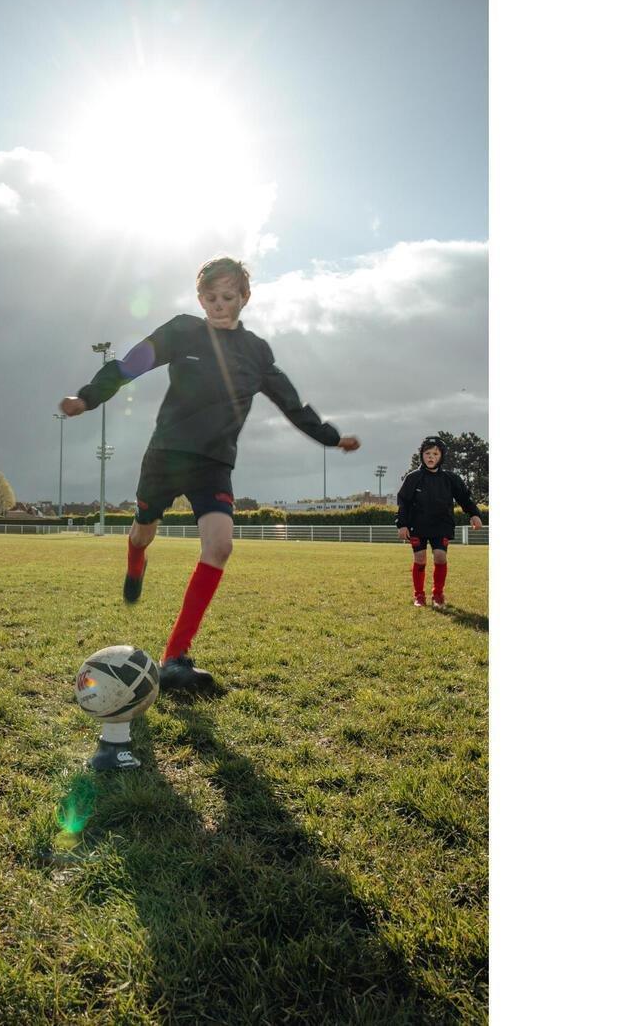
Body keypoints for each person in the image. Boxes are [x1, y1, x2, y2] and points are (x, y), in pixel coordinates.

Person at [61, 258, 359, 768]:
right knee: (142, 532)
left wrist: (330, 437)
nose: (220, 307)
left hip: (214, 464)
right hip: (166, 456)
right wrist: (87, 398)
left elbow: (292, 403)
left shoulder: (256, 351)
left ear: (245, 297)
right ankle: (134, 563)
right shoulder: (181, 331)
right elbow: (130, 364)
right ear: (201, 299)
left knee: (220, 545)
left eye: (230, 297)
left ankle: (175, 657)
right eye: (212, 298)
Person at [395, 436, 483, 609]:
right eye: (427, 453)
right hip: (417, 525)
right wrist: (402, 524)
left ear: (441, 456)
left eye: (435, 453)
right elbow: (403, 502)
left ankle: (438, 595)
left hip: (442, 524)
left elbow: (465, 498)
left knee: (440, 557)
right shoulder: (413, 478)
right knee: (420, 559)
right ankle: (419, 596)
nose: (431, 457)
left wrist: (474, 514)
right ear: (422, 455)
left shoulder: (450, 478)